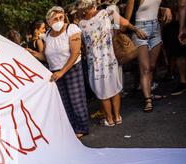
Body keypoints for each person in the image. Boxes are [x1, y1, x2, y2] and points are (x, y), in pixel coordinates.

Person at [77, 0, 147, 126]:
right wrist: (135, 30)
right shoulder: (106, 13)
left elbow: (84, 45)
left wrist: (131, 30)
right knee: (113, 88)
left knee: (103, 91)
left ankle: (110, 120)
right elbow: (124, 23)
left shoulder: (82, 23)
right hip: (108, 59)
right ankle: (117, 117)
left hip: (96, 63)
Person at [29, 6, 89, 138]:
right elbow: (46, 57)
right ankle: (72, 128)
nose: (59, 20)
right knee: (64, 103)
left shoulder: (72, 29)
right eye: (55, 19)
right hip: (55, 72)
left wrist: (62, 72)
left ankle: (82, 128)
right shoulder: (48, 35)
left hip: (71, 68)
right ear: (49, 22)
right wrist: (31, 53)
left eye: (61, 17)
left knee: (76, 100)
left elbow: (75, 53)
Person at [125, 0, 172, 111]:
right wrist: (135, 30)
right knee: (145, 68)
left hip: (156, 28)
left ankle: (149, 93)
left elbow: (157, 5)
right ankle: (147, 100)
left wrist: (166, 9)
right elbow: (126, 21)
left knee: (151, 66)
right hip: (140, 29)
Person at [162, 0, 186, 96]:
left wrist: (182, 27)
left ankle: (183, 81)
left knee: (178, 53)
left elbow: (182, 4)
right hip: (176, 20)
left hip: (177, 20)